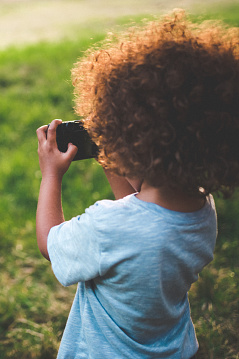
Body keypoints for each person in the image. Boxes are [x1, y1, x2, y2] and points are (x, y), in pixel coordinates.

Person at [36, 10, 239, 358]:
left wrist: (50, 175)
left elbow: (50, 245)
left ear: (137, 145)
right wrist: (115, 156)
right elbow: (139, 208)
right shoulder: (202, 209)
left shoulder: (109, 228)